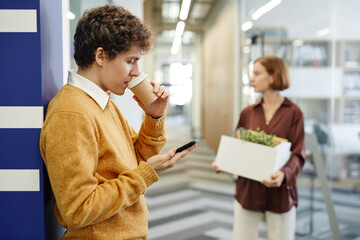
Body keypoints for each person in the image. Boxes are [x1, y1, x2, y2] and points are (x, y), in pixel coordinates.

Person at [40, 5, 195, 240]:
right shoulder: (72, 113)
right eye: (131, 61)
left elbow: (135, 160)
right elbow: (78, 209)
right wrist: (145, 175)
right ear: (101, 56)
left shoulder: (102, 102)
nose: (136, 73)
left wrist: (153, 117)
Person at [212, 56, 305, 240]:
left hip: (280, 192)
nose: (251, 78)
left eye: (256, 73)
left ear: (272, 76)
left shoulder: (294, 113)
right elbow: (237, 145)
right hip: (249, 190)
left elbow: (298, 153)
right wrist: (223, 161)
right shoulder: (248, 112)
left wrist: (284, 174)